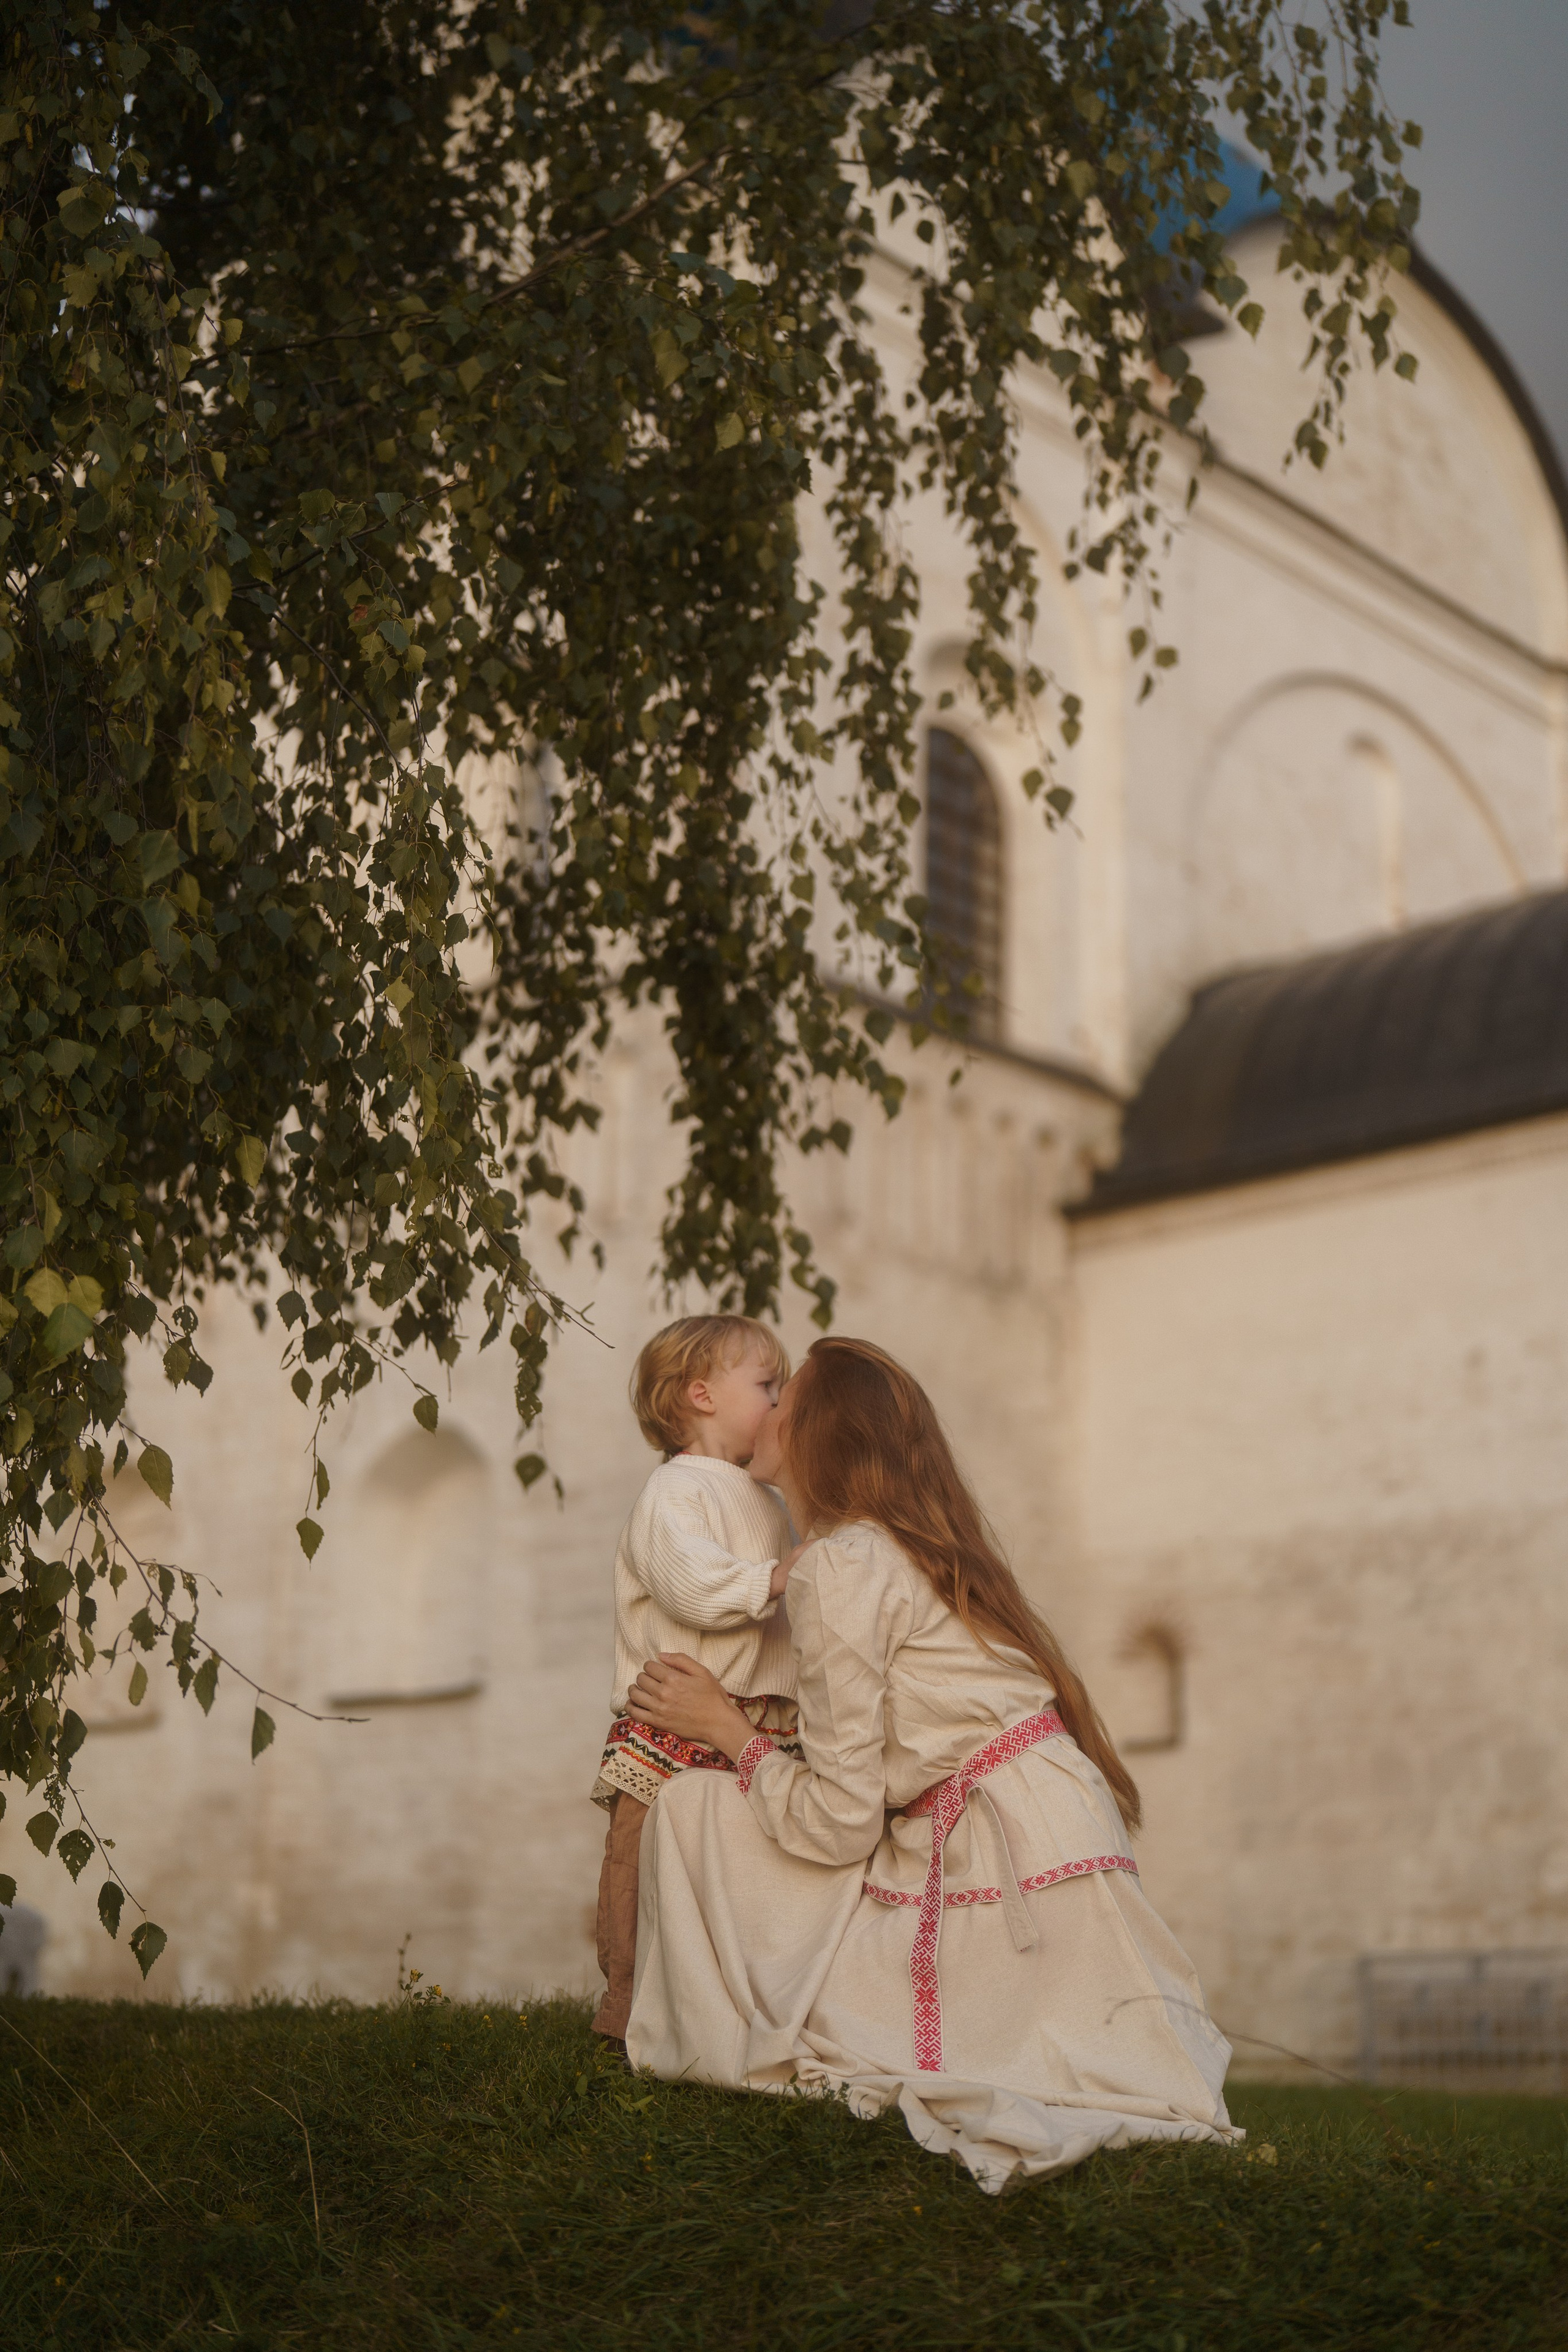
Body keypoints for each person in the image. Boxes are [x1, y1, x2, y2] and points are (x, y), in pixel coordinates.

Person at [624, 1336, 1242, 2189]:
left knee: (695, 1808)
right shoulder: (914, 1550)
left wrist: (726, 1728)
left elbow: (840, 1822)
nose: (767, 1409)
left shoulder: (841, 1566)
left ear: (818, 1433)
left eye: (784, 1397)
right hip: (1045, 1828)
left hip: (1000, 1861)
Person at [590, 1314, 805, 2045]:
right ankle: (626, 2008)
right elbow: (691, 1585)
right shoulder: (675, 1492)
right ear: (702, 1395)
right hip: (675, 1717)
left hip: (760, 1720)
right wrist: (776, 1579)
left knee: (742, 1874)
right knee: (645, 1864)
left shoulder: (768, 1499)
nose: (780, 1402)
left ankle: (730, 2007)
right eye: (768, 1385)